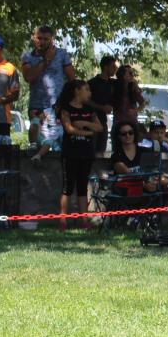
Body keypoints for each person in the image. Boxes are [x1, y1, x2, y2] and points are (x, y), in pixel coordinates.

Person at [54, 79, 103, 231]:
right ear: (77, 91)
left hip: (86, 153)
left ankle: (84, 220)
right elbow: (69, 128)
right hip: (70, 153)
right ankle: (62, 220)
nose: (90, 92)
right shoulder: (65, 109)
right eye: (86, 89)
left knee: (82, 187)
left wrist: (84, 123)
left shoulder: (89, 110)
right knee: (67, 187)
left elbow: (99, 127)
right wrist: (87, 132)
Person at [21, 25, 75, 144]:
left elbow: (72, 80)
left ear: (52, 39)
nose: (42, 42)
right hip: (37, 106)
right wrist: (46, 61)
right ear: (34, 38)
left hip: (58, 105)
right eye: (39, 38)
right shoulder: (28, 56)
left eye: (46, 39)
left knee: (58, 143)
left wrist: (65, 102)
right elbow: (28, 77)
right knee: (37, 143)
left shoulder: (62, 54)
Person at [87, 55, 119, 156]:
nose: (115, 69)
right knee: (91, 149)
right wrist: (101, 107)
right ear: (106, 67)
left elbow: (128, 80)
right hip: (92, 120)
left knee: (101, 149)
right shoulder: (92, 83)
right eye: (113, 66)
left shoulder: (114, 83)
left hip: (103, 122)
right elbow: (86, 101)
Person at [111, 64, 144, 141]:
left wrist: (135, 110)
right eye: (130, 73)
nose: (132, 75)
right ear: (123, 75)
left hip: (131, 122)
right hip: (118, 122)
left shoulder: (133, 87)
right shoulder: (114, 86)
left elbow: (142, 103)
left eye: (132, 73)